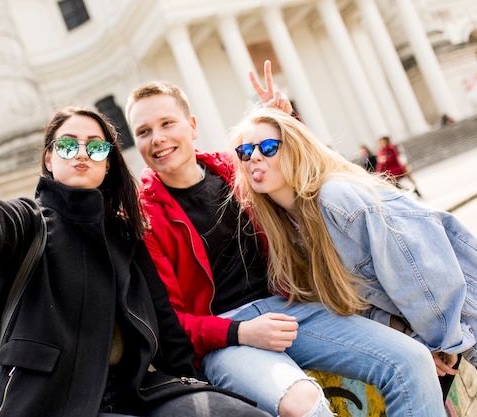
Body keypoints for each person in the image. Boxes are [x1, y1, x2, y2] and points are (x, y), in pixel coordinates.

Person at [0, 92, 275, 417]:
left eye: (95, 146)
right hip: (55, 402)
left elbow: (167, 329)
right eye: (67, 144)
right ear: (49, 158)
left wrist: (201, 381)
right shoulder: (29, 224)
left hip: (136, 394)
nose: (81, 152)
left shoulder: (125, 233)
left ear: (108, 163)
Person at [125, 61, 447, 417]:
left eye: (167, 123)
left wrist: (285, 125)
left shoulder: (237, 169)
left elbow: (303, 177)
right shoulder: (144, 217)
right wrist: (240, 332)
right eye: (143, 132)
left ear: (192, 126)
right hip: (227, 338)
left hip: (293, 310)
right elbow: (172, 320)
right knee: (303, 404)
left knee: (412, 361)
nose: (158, 138)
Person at [228, 105, 477, 391]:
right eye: (245, 152)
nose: (254, 156)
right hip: (439, 339)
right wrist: (411, 339)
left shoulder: (335, 197)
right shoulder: (289, 230)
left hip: (464, 323)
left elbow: (418, 268)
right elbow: (357, 302)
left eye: (269, 147)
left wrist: (438, 342)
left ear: (296, 149)